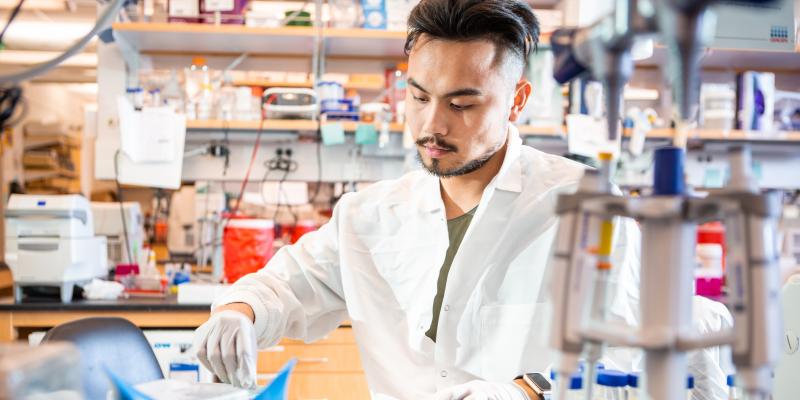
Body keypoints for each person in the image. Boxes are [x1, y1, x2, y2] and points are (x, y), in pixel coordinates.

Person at [193, 1, 725, 398]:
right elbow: (288, 284)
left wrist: (528, 390)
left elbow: (635, 351)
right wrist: (240, 312)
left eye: (462, 104)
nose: (432, 125)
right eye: (419, 97)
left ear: (517, 100)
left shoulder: (582, 204)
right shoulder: (368, 215)